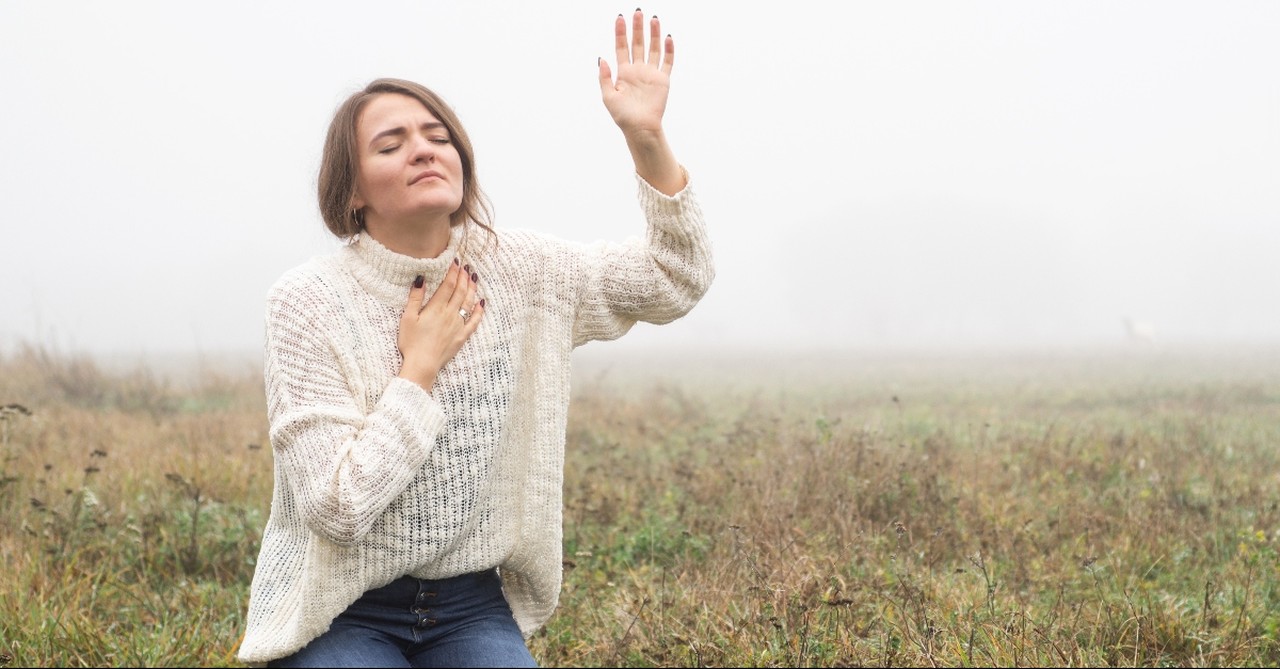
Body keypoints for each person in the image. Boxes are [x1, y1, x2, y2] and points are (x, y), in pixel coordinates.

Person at [236, 9, 713, 667]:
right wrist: (419, 370)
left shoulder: (524, 269)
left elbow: (675, 277)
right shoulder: (307, 301)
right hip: (342, 610)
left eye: (437, 135)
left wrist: (647, 138)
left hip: (470, 606)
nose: (425, 148)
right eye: (391, 143)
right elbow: (337, 510)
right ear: (351, 192)